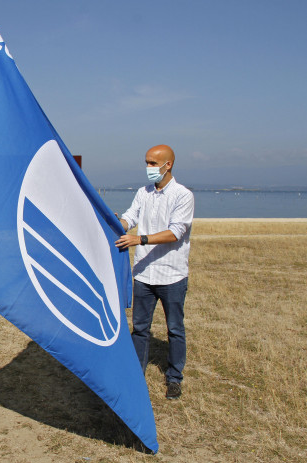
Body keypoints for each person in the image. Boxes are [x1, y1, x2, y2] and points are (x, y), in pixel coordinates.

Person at [115, 144, 194, 400]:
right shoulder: (143, 192)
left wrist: (140, 240)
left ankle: (174, 378)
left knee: (175, 329)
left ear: (167, 164)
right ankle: (137, 376)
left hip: (172, 275)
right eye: (146, 162)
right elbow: (130, 218)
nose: (148, 168)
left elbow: (175, 232)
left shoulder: (183, 195)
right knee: (140, 328)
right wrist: (116, 222)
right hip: (144, 275)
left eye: (152, 163)